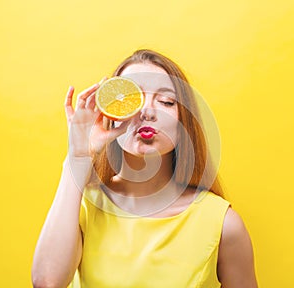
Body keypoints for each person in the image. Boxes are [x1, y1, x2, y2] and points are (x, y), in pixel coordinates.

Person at [32, 49, 258, 288]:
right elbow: (47, 282)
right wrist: (78, 156)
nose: (147, 111)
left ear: (184, 123)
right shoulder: (82, 205)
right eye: (132, 98)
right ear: (111, 115)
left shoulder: (222, 223)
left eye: (166, 101)